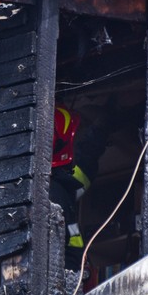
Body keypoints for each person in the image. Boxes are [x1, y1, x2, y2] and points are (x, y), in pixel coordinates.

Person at [49, 105, 108, 272]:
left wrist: (102, 127)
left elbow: (85, 169)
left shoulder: (62, 186)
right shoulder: (51, 194)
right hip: (64, 288)